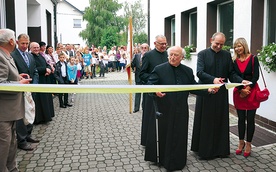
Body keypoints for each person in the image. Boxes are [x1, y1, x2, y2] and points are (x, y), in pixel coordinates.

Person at [146, 46, 216, 171]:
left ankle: (179, 160)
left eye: (176, 55)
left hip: (182, 109)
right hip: (165, 109)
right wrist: (155, 91)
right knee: (166, 135)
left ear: (182, 57)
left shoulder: (187, 71)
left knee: (180, 134)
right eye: (170, 55)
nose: (172, 57)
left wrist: (208, 90)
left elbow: (193, 87)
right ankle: (164, 160)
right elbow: (150, 84)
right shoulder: (159, 69)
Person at [191, 32, 247, 160]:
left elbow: (231, 73)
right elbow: (199, 72)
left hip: (221, 93)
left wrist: (240, 81)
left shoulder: (226, 55)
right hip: (206, 91)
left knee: (220, 120)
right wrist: (213, 79)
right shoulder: (202, 54)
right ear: (211, 40)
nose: (219, 46)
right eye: (217, 43)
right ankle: (205, 151)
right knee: (206, 120)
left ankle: (221, 150)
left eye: (222, 44)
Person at [0, 28, 32, 172]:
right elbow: (1, 84)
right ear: (12, 41)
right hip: (4, 112)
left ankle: (12, 168)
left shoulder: (7, 55)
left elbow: (7, 76)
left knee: (11, 143)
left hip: (11, 110)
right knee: (4, 144)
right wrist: (19, 84)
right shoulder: (1, 56)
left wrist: (17, 77)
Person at [11, 33, 40, 151]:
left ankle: (28, 134)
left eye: (27, 43)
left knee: (30, 111)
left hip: (31, 89)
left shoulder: (30, 55)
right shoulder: (12, 56)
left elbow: (35, 71)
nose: (25, 45)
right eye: (22, 43)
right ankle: (21, 140)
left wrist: (35, 85)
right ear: (17, 43)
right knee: (21, 114)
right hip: (20, 90)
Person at [139, 34, 168, 148]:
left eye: (165, 43)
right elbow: (142, 74)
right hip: (152, 90)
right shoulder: (148, 56)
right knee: (150, 116)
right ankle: (148, 140)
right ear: (155, 43)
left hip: (165, 91)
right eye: (162, 44)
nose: (164, 46)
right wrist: (154, 78)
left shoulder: (168, 54)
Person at [232, 38, 260, 157]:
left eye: (239, 46)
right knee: (241, 119)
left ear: (244, 46)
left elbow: (256, 76)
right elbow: (232, 76)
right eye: (235, 47)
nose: (237, 49)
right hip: (239, 92)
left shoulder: (253, 58)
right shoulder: (233, 60)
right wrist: (241, 90)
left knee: (251, 119)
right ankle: (240, 142)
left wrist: (248, 88)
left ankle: (248, 143)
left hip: (252, 91)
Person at [30, 42, 55, 124]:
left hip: (45, 79)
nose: (37, 49)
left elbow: (47, 64)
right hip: (38, 80)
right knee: (39, 100)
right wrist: (44, 70)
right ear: (31, 48)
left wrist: (48, 69)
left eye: (37, 47)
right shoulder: (30, 57)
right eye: (34, 48)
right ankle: (40, 119)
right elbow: (33, 68)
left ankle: (47, 117)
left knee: (46, 99)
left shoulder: (40, 55)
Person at [131, 43, 149, 113]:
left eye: (145, 48)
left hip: (146, 78)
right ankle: (136, 108)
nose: (144, 49)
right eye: (142, 48)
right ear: (140, 49)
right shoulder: (136, 56)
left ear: (148, 49)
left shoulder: (149, 56)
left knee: (145, 93)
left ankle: (144, 107)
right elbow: (133, 64)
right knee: (138, 93)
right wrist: (132, 68)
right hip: (138, 77)